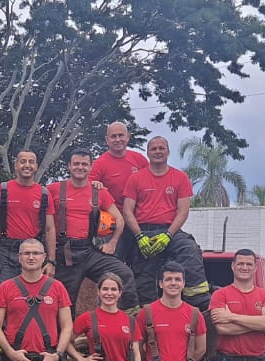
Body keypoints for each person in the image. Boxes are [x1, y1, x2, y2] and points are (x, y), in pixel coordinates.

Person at [122, 136, 209, 309]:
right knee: (143, 274)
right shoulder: (136, 178)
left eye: (161, 148)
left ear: (168, 152)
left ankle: (199, 303)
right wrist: (139, 237)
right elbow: (127, 211)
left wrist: (169, 235)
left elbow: (183, 211)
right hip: (144, 232)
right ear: (147, 153)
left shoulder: (180, 177)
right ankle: (147, 316)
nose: (158, 151)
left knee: (190, 251)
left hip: (171, 232)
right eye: (153, 149)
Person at [49, 149, 132, 312]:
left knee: (124, 274)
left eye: (84, 164)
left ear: (90, 167)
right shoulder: (53, 189)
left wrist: (112, 243)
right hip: (65, 253)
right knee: (64, 300)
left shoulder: (99, 192)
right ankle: (65, 335)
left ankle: (125, 323)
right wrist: (49, 258)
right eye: (76, 164)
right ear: (69, 166)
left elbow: (120, 220)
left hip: (89, 250)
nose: (80, 167)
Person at [0, 151, 57, 295]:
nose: (27, 165)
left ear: (36, 166)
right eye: (23, 161)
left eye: (31, 162)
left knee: (33, 296)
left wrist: (51, 261)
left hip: (33, 250)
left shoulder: (44, 194)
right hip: (5, 250)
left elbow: (49, 229)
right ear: (16, 165)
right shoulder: (1, 190)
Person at [88, 122, 149, 210]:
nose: (117, 139)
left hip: (140, 215)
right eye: (113, 136)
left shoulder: (139, 159)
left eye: (121, 135)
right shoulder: (99, 163)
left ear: (127, 137)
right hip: (113, 216)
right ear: (107, 140)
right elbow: (86, 188)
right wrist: (96, 186)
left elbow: (152, 183)